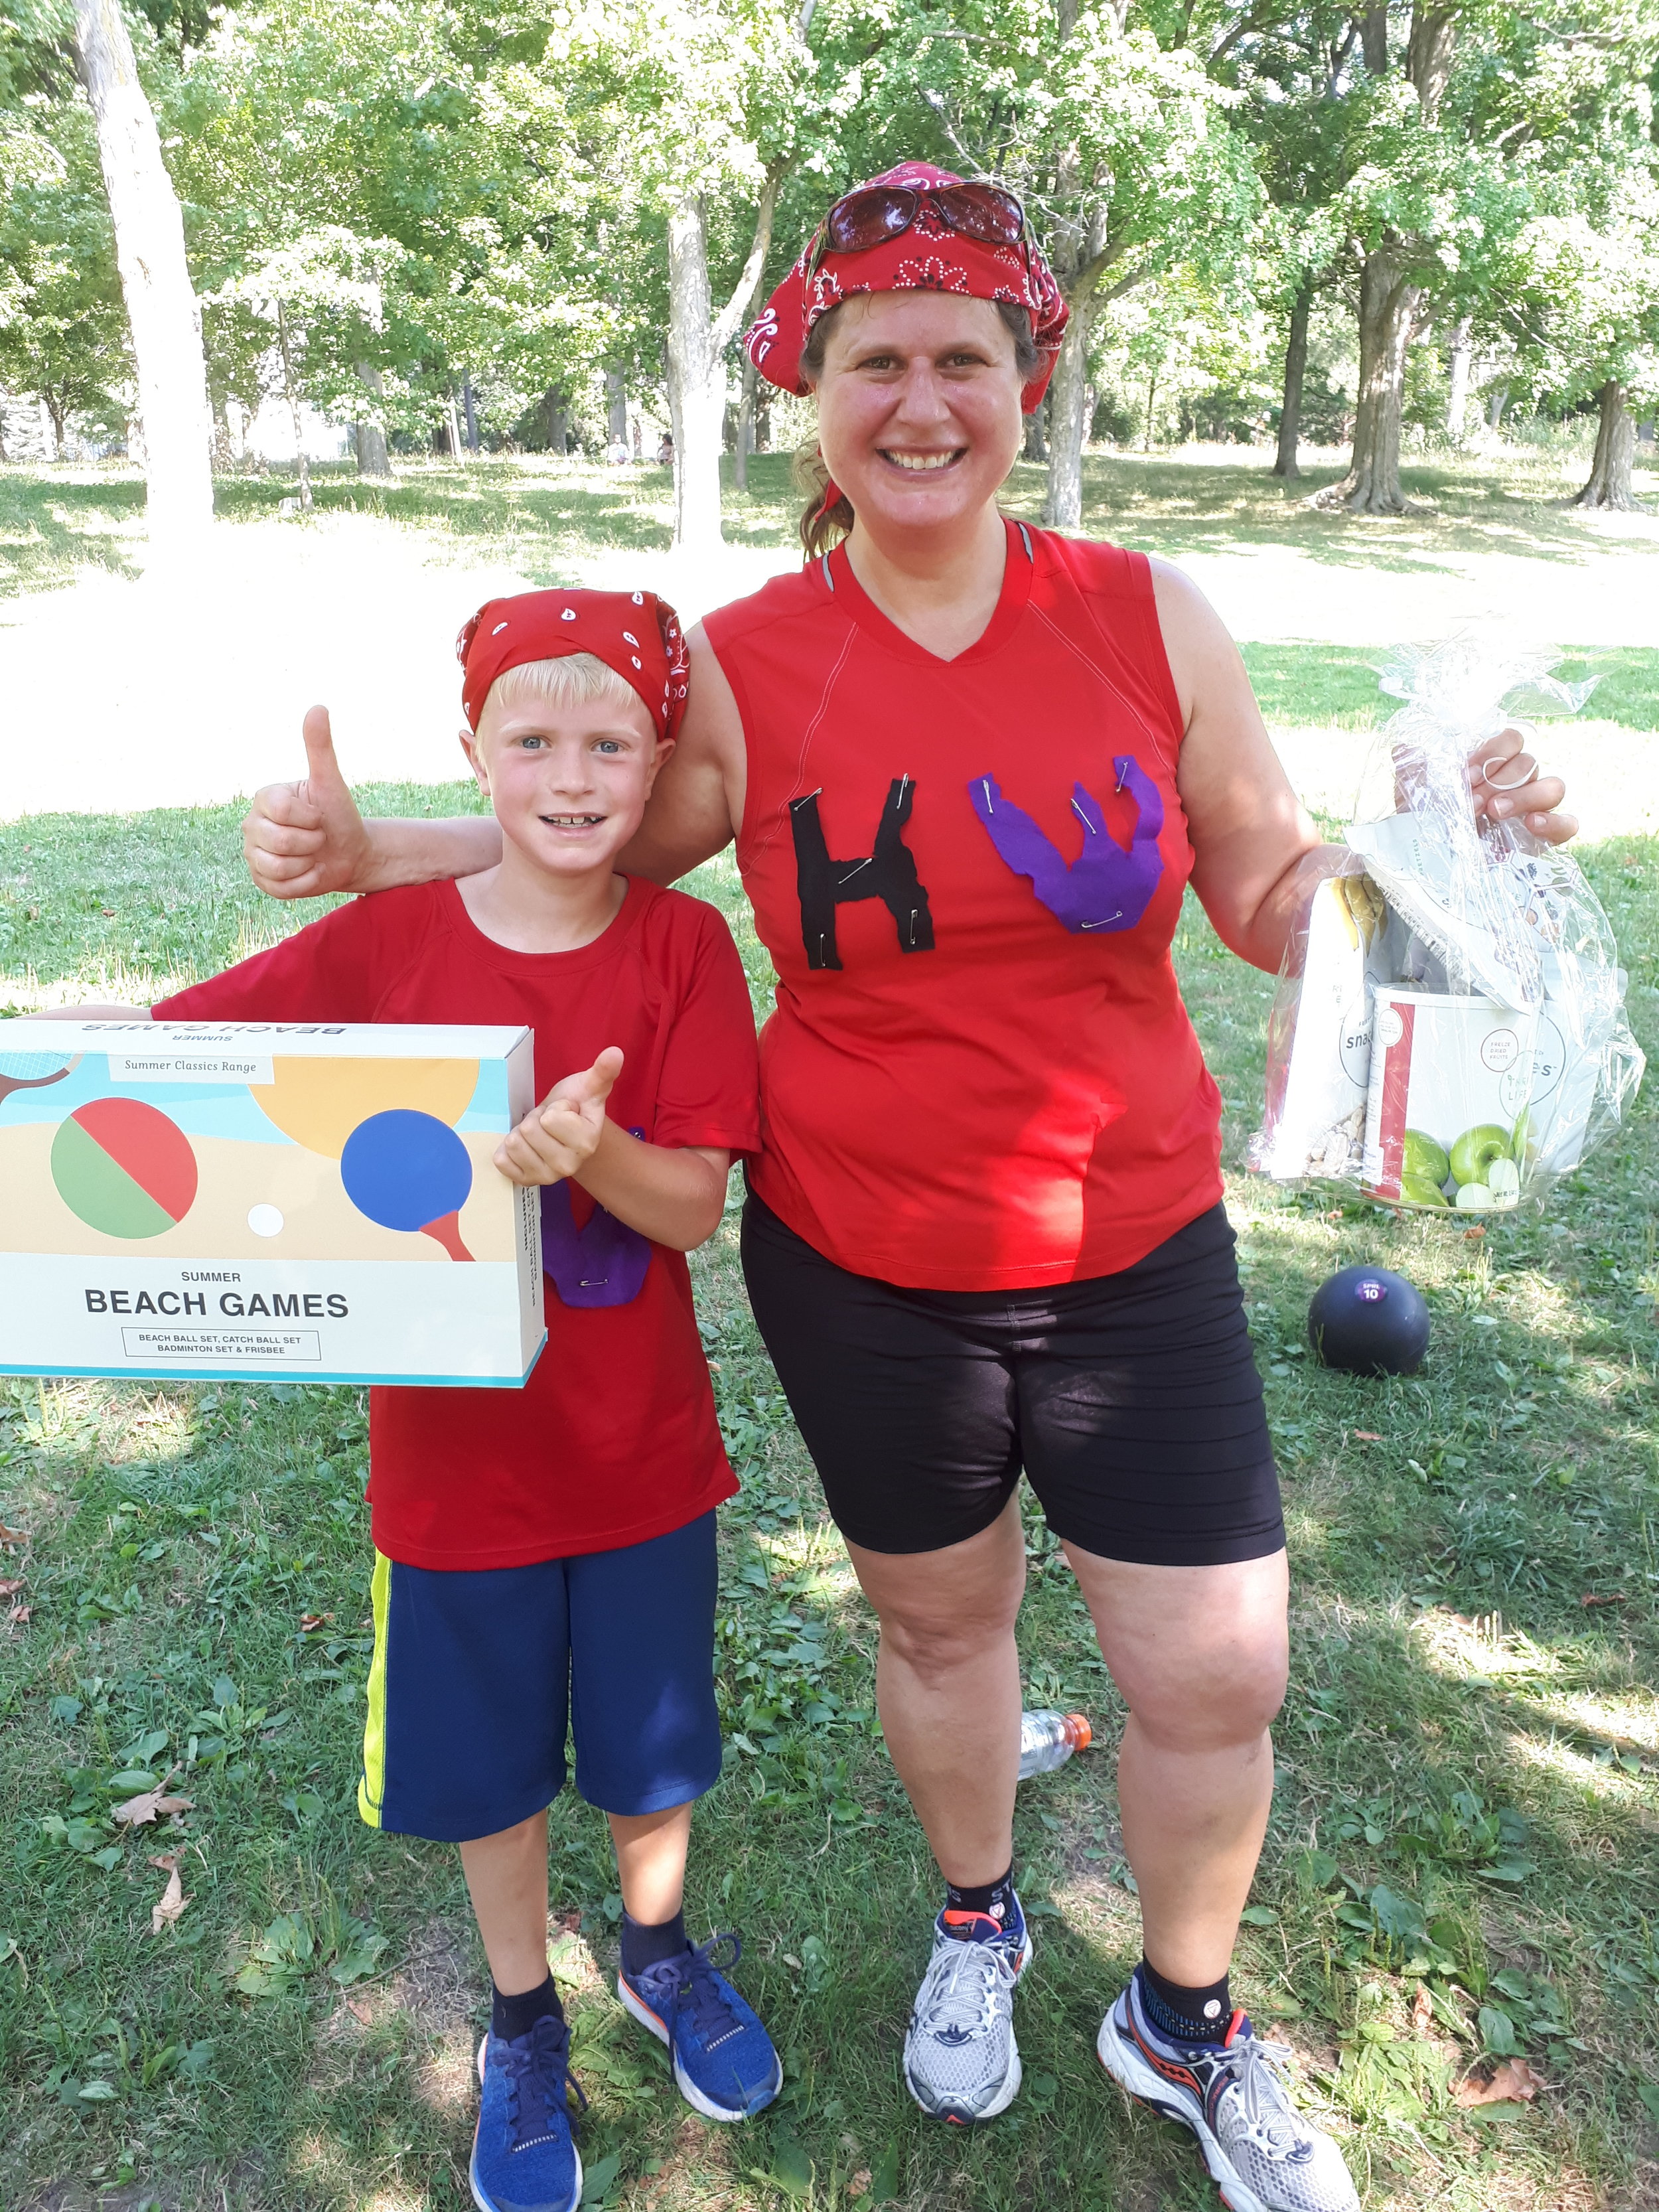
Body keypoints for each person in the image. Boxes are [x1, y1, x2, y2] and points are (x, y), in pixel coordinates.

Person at [240, 165, 1577, 2212]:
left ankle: (1185, 2018)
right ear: (817, 397)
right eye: (879, 359)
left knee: (1214, 1669)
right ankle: (978, 1916)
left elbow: (1259, 891)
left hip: (1132, 1245)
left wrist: (1430, 855)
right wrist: (373, 855)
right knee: (942, 1631)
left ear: (1026, 382)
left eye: (965, 357)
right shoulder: (755, 656)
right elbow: (590, 842)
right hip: (863, 1264)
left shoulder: (1147, 611)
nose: (923, 397)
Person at [53, 589, 782, 2212]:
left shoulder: (679, 945)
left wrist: (582, 1139)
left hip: (641, 1456)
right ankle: (523, 2016)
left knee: (651, 1749)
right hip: (456, 1475)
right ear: (472, 753)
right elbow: (184, 1060)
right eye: (530, 739)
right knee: (489, 1764)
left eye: (609, 744)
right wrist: (55, 1059)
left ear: (658, 763)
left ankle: (657, 1947)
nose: (570, 775)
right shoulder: (392, 941)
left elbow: (686, 1210)